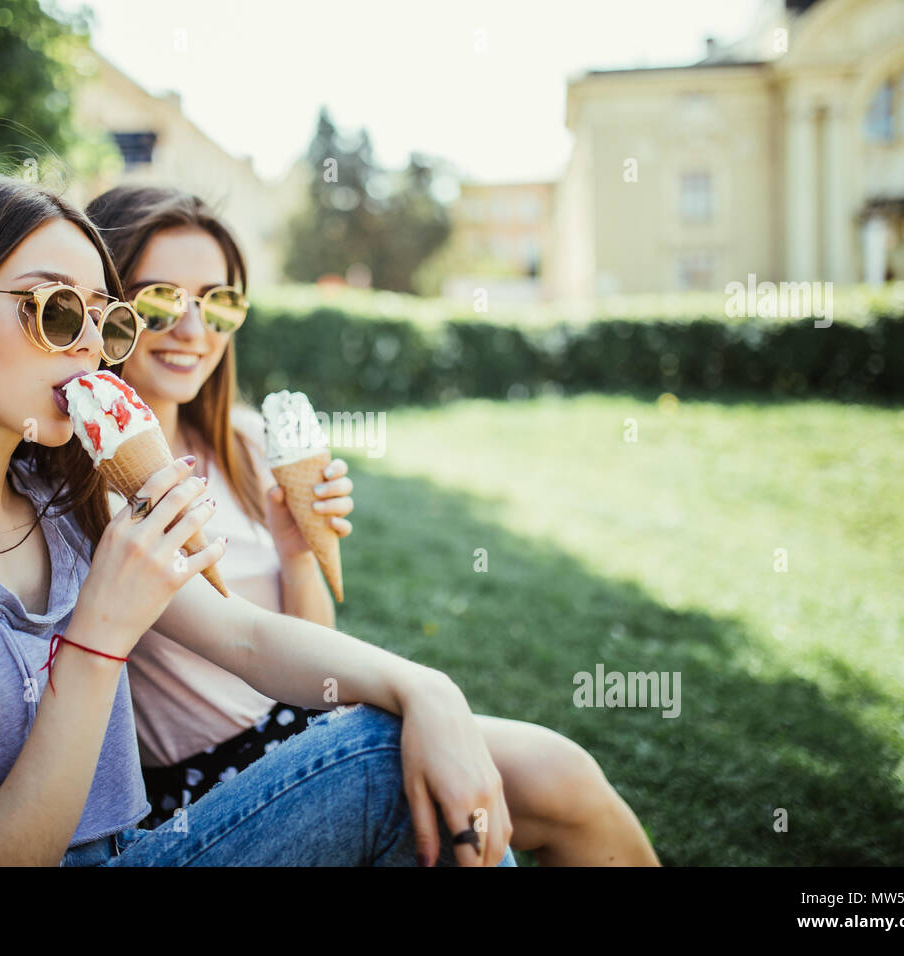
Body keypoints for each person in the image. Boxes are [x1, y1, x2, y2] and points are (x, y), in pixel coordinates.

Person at [0, 172, 521, 867]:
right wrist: (96, 638)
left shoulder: (64, 506)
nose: (87, 345)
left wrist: (429, 689)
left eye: (103, 321)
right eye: (53, 311)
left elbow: (244, 639)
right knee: (377, 762)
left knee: (399, 745)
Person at [85, 185, 661, 866]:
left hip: (301, 718)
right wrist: (419, 689)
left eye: (219, 301)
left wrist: (298, 551)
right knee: (453, 822)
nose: (193, 328)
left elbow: (306, 649)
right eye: (160, 299)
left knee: (563, 774)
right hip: (211, 783)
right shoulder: (93, 481)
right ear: (108, 307)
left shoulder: (245, 440)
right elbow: (241, 640)